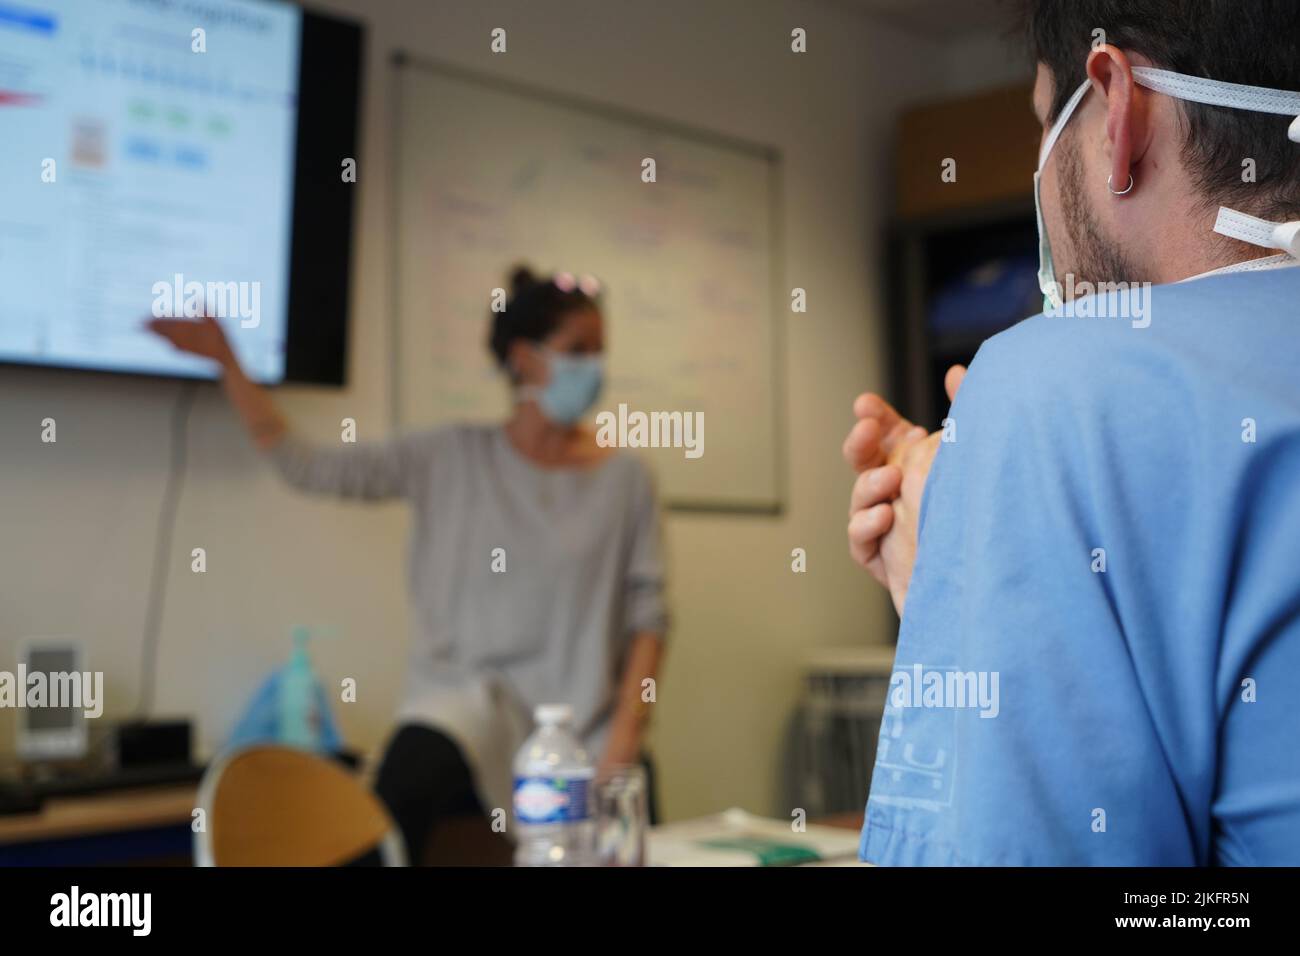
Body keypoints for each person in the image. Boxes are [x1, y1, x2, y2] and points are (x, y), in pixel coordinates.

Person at [844, 0, 1300, 865]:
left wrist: (969, 559)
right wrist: (974, 594)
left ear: (1115, 108)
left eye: (1038, 128)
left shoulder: (1050, 382)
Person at [149, 266, 668, 862]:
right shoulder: (449, 459)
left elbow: (649, 617)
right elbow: (306, 466)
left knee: (634, 827)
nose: (594, 367)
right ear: (523, 359)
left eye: (601, 351)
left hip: (586, 719)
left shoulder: (626, 481)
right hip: (464, 703)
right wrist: (227, 362)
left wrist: (625, 740)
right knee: (393, 806)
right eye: (579, 350)